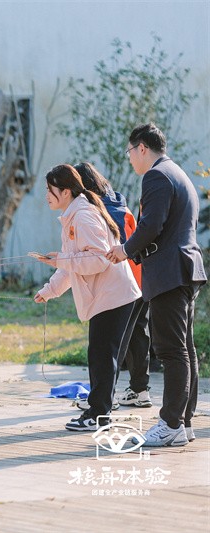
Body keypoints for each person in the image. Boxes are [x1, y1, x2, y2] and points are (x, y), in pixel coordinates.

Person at [107, 123, 206, 446]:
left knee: (172, 350)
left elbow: (151, 226)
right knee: (184, 349)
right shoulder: (177, 173)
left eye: (130, 151)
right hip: (184, 270)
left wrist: (125, 250)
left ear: (142, 148)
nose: (130, 158)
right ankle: (183, 423)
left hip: (169, 273)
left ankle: (171, 423)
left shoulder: (156, 176)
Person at [34, 164, 141, 432]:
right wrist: (49, 291)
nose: (46, 195)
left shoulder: (83, 216)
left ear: (66, 191)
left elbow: (98, 259)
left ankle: (99, 415)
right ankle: (98, 412)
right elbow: (71, 265)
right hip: (107, 296)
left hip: (114, 295)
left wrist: (61, 259)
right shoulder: (73, 215)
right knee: (100, 355)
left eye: (50, 190)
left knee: (102, 356)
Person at [74, 162, 152, 410]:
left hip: (122, 281)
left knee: (111, 343)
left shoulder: (98, 210)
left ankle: (105, 398)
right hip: (140, 276)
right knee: (136, 334)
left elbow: (102, 253)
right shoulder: (119, 202)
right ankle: (140, 391)